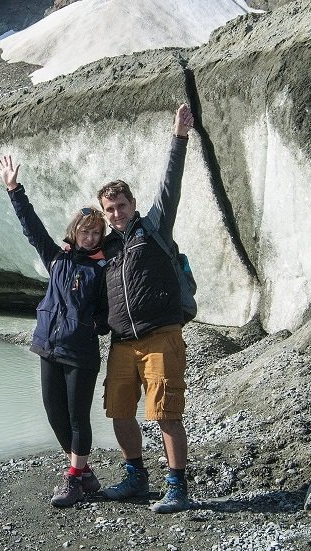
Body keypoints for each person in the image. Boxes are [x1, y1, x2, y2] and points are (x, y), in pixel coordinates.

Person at [97, 103, 195, 513]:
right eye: (109, 209)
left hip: (160, 337)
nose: (116, 213)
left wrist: (179, 137)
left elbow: (169, 184)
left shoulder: (152, 227)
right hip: (121, 343)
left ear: (132, 204)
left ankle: (177, 487)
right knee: (120, 411)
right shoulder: (107, 248)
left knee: (165, 411)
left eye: (121, 205)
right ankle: (136, 476)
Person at [0, 154, 110, 508]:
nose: (90, 237)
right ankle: (84, 471)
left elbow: (109, 315)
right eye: (85, 231)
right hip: (49, 347)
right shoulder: (56, 258)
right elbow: (32, 228)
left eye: (96, 233)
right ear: (74, 231)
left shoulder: (103, 269)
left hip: (81, 353)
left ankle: (73, 478)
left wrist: (92, 325)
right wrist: (14, 189)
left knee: (78, 417)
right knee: (54, 412)